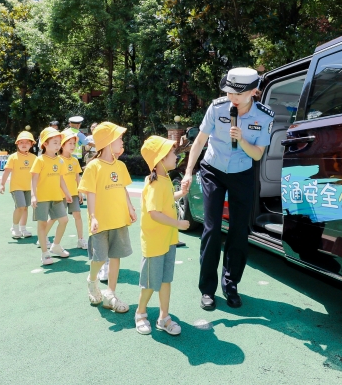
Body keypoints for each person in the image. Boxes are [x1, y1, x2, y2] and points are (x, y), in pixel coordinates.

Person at [180, 67, 275, 310]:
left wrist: (241, 138)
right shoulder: (217, 108)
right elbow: (200, 140)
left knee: (239, 231)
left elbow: (257, 155)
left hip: (242, 173)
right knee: (211, 229)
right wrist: (189, 171)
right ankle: (208, 289)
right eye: (229, 91)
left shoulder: (264, 116)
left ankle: (231, 284)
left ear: (254, 92)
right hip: (213, 170)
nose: (232, 96)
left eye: (238, 93)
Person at [135, 136, 192, 336]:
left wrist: (180, 193)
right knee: (151, 283)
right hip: (155, 242)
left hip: (167, 240)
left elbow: (165, 200)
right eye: (172, 154)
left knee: (166, 280)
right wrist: (177, 223)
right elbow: (154, 213)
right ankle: (140, 313)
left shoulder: (164, 178)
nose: (176, 156)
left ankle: (164, 317)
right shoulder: (154, 184)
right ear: (160, 159)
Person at [78, 121, 136, 312]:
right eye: (119, 138)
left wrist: (130, 207)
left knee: (116, 256)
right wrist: (93, 216)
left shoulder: (120, 165)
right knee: (99, 258)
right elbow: (90, 193)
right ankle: (92, 280)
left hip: (119, 219)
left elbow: (123, 189)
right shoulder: (93, 166)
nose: (122, 142)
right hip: (100, 221)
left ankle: (111, 293)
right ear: (108, 142)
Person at [30, 128, 74, 265]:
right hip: (42, 198)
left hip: (56, 197)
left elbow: (61, 179)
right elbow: (34, 179)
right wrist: (33, 196)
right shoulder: (39, 160)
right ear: (45, 144)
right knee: (42, 225)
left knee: (64, 220)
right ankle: (45, 253)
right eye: (55, 142)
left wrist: (67, 193)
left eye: (59, 142)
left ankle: (55, 245)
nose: (58, 145)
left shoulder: (60, 161)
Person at [0, 131, 36, 240]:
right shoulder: (13, 157)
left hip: (28, 187)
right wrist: (2, 184)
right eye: (21, 142)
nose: (24, 144)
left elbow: (37, 174)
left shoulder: (34, 158)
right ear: (17, 144)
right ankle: (15, 228)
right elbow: (6, 171)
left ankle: (23, 229)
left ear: (31, 144)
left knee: (25, 208)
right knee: (20, 207)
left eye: (27, 142)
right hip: (17, 187)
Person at [60, 128, 86, 249]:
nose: (72, 146)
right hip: (60, 195)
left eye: (74, 143)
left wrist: (79, 191)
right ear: (62, 144)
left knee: (78, 216)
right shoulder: (58, 160)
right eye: (69, 143)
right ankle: (44, 238)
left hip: (74, 194)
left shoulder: (75, 160)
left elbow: (77, 177)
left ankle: (81, 239)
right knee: (57, 218)